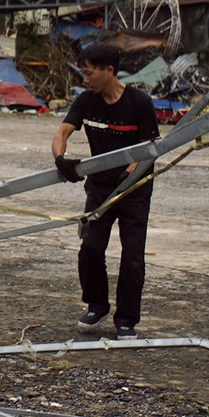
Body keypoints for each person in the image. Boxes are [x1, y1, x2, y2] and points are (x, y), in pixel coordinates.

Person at [51, 43, 159, 340]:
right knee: (90, 249)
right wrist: (61, 161)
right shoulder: (86, 101)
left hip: (133, 189)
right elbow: (62, 132)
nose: (84, 79)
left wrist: (127, 176)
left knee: (132, 255)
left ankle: (126, 320)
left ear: (109, 71)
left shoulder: (139, 103)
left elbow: (149, 150)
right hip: (99, 189)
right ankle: (96, 305)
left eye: (88, 73)